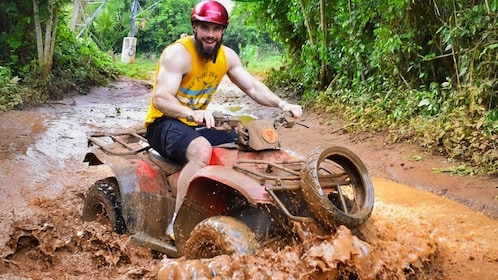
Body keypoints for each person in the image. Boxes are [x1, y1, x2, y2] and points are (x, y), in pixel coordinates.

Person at [144, 0, 302, 240]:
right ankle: (177, 225)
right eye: (205, 27)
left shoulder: (227, 57)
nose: (210, 34)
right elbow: (161, 98)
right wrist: (189, 113)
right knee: (201, 150)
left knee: (243, 140)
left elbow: (252, 87)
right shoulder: (178, 54)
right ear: (195, 27)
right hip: (164, 123)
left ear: (223, 31)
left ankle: (244, 204)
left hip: (196, 123)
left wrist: (283, 104)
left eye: (216, 29)